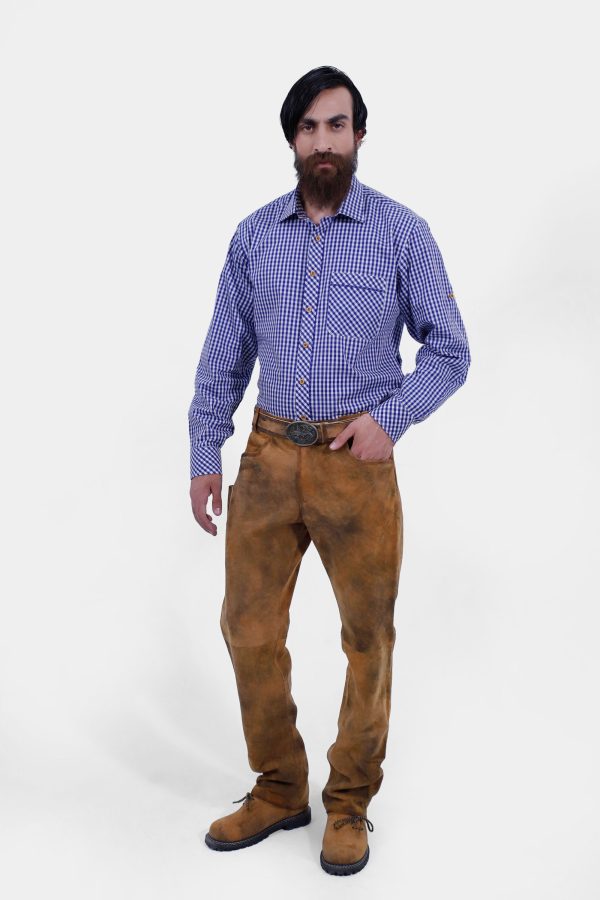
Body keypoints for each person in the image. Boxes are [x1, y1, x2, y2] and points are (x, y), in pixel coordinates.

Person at [188, 65, 471, 876]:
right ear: (292, 139)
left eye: (337, 125)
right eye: (309, 127)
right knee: (246, 627)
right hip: (269, 456)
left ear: (359, 135)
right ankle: (280, 787)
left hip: (357, 464)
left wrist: (392, 419)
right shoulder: (253, 238)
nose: (323, 141)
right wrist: (205, 451)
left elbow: (450, 349)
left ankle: (349, 802)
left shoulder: (402, 233)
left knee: (367, 637)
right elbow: (223, 356)